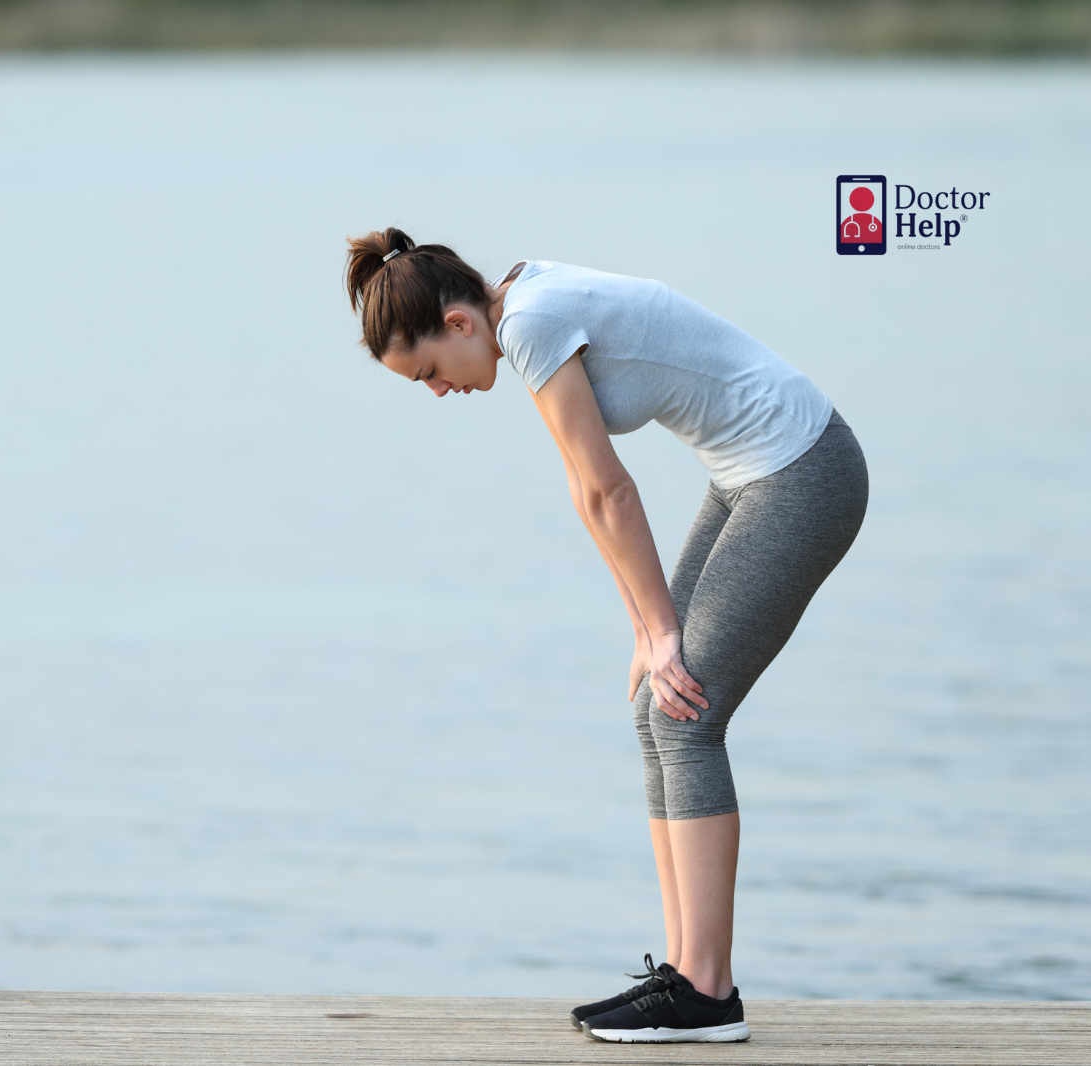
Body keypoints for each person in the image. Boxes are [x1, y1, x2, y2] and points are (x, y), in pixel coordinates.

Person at [343, 228, 868, 1044]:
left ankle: (707, 991)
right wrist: (643, 629)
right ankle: (685, 973)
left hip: (802, 471)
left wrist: (664, 629)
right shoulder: (518, 306)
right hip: (748, 475)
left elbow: (611, 492)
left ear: (458, 324)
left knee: (687, 713)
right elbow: (587, 493)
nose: (439, 392)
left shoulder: (531, 322)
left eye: (429, 374)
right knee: (656, 704)